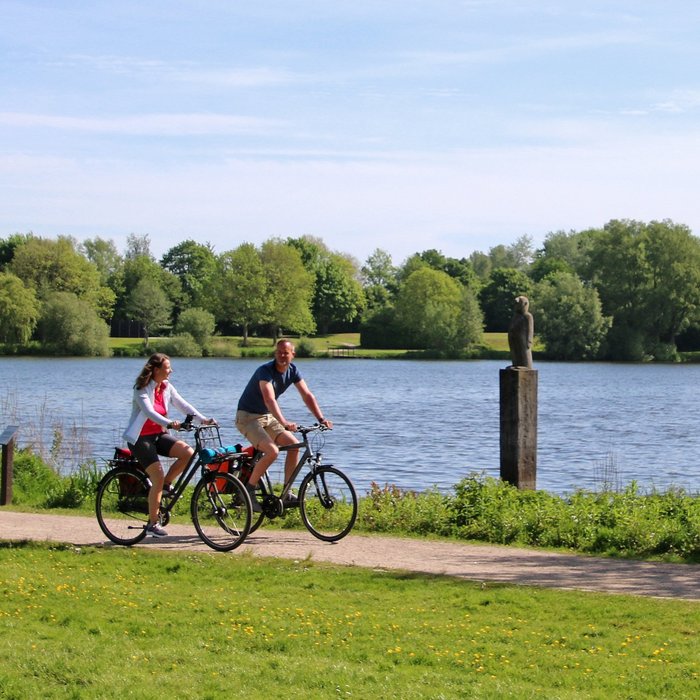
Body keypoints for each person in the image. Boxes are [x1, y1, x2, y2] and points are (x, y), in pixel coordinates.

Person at [123, 353, 215, 537]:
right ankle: (152, 524)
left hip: (158, 435)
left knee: (188, 453)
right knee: (157, 475)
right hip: (140, 439)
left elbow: (183, 405)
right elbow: (149, 412)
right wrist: (170, 423)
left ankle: (165, 485)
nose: (170, 371)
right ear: (156, 370)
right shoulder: (141, 388)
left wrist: (203, 420)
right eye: (167, 368)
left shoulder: (166, 387)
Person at [235, 338, 333, 512]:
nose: (282, 356)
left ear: (292, 355)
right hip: (248, 417)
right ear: (275, 353)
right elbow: (269, 398)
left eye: (286, 353)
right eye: (279, 352)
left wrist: (321, 418)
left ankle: (287, 492)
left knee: (294, 446)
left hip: (266, 416)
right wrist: (284, 422)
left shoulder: (293, 370)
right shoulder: (265, 371)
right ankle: (247, 490)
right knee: (272, 451)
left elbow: (307, 395)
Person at [507, 295, 534, 369]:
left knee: (524, 352)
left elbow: (530, 329)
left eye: (518, 304)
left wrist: (529, 340)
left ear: (525, 304)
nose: (516, 306)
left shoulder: (528, 316)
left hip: (523, 340)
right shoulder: (515, 316)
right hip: (514, 339)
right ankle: (515, 364)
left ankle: (526, 366)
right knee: (515, 352)